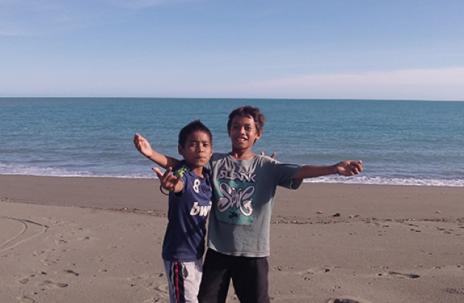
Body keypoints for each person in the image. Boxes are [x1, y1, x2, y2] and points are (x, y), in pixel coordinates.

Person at [134, 106, 363, 303]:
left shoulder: (267, 166)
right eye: (235, 127)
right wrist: (151, 154)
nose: (240, 132)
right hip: (217, 251)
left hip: (253, 254)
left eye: (247, 128)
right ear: (229, 131)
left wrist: (334, 168)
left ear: (257, 135)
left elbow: (300, 170)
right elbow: (182, 163)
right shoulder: (215, 161)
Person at [135, 120, 213, 303]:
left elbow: (175, 162)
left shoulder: (208, 177)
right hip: (179, 255)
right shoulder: (183, 175)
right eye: (192, 144)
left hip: (197, 253)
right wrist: (151, 154)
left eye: (205, 145)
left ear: (211, 151)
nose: (200, 149)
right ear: (181, 149)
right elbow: (178, 180)